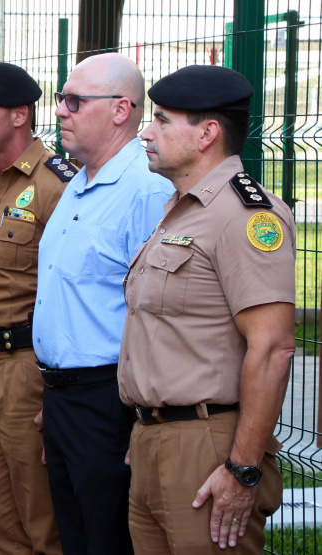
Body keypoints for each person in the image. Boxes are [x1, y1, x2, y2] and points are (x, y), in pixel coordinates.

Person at [121, 64, 293, 553]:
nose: (146, 133)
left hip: (208, 446)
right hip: (154, 439)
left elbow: (273, 348)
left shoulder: (244, 215)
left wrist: (242, 469)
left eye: (161, 120)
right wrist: (147, 433)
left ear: (207, 134)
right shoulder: (182, 210)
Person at [33, 52, 174, 555]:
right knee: (76, 536)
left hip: (110, 402)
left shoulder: (146, 190)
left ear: (120, 110)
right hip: (63, 397)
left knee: (108, 538)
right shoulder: (79, 182)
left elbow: (157, 314)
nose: (60, 111)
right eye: (61, 99)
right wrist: (55, 396)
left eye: (74, 101)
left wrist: (139, 418)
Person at [0, 63, 71, 555]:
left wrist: (54, 385)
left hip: (27, 368)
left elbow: (72, 291)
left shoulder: (57, 185)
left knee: (40, 515)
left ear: (20, 115)